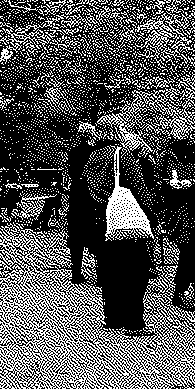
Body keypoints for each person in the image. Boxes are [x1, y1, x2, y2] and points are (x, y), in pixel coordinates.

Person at [81, 114, 156, 336]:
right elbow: (139, 188)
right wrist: (152, 215)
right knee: (136, 269)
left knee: (110, 269)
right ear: (116, 131)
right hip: (125, 218)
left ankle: (113, 316)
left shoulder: (93, 156)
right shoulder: (122, 155)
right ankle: (133, 320)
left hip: (99, 218)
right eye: (121, 128)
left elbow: (85, 187)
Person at [160, 121, 195, 311]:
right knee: (188, 250)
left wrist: (192, 182)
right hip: (176, 210)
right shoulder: (165, 157)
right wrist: (169, 184)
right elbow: (157, 181)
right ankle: (180, 291)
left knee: (193, 249)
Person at [124, 132, 163, 279]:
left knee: (145, 233)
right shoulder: (145, 161)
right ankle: (148, 263)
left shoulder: (139, 161)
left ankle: (146, 263)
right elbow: (154, 182)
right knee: (148, 232)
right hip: (143, 199)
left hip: (137, 199)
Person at [65, 123, 97, 284]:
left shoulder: (73, 151)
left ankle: (76, 272)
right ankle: (100, 273)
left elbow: (71, 172)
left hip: (76, 193)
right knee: (95, 231)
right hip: (91, 194)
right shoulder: (94, 152)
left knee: (76, 234)